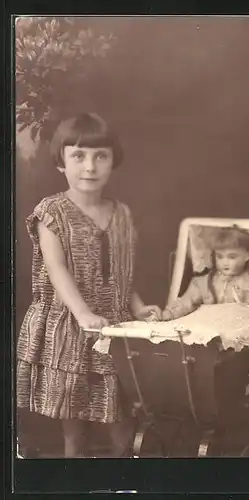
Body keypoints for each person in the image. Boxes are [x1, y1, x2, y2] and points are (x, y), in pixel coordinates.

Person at [16, 112, 161, 458]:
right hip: (68, 327)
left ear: (113, 161)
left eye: (101, 156)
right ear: (61, 163)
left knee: (122, 424)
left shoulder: (122, 213)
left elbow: (122, 272)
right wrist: (83, 313)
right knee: (75, 430)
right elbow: (56, 268)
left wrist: (138, 305)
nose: (90, 166)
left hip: (114, 328)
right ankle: (73, 473)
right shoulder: (52, 212)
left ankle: (126, 475)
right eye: (78, 156)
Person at [162, 226, 249, 322]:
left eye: (232, 257)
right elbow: (187, 303)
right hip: (213, 330)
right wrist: (170, 314)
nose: (225, 262)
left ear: (247, 256)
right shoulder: (204, 283)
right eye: (220, 256)